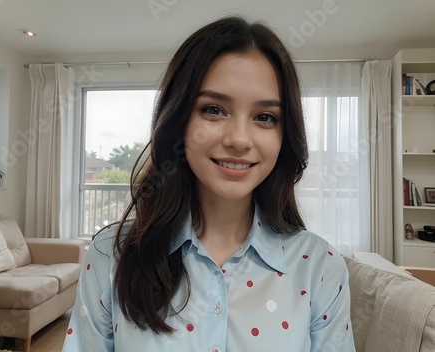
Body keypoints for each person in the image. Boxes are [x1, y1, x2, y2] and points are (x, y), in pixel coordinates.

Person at [62, 16, 355, 352]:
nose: (240, 140)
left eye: (264, 117)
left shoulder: (320, 267)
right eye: (214, 109)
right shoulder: (111, 256)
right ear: (178, 120)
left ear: (284, 133)